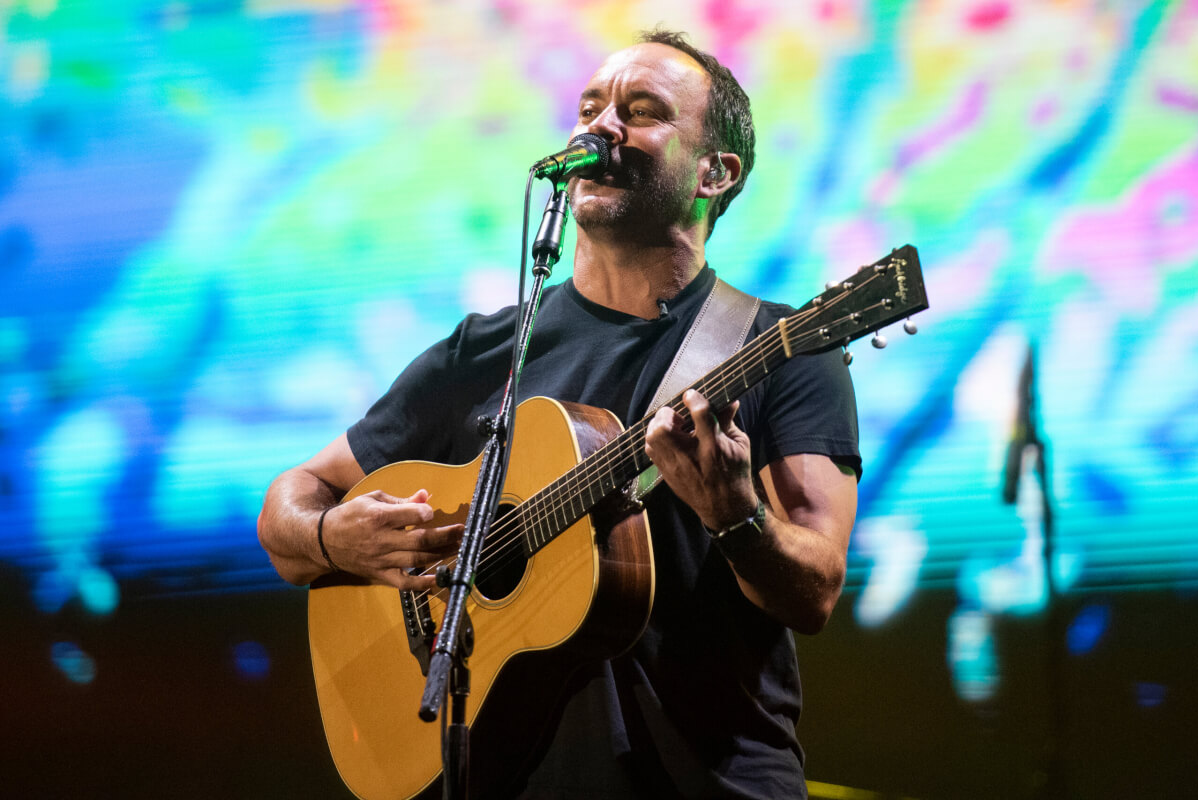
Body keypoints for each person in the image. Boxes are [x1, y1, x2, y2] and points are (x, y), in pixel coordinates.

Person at [259, 29, 859, 800]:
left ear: (716, 172)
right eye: (590, 107)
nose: (601, 126)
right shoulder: (485, 352)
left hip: (709, 781)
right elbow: (291, 504)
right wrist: (330, 537)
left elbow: (813, 592)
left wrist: (735, 513)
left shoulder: (777, 348)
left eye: (641, 112)